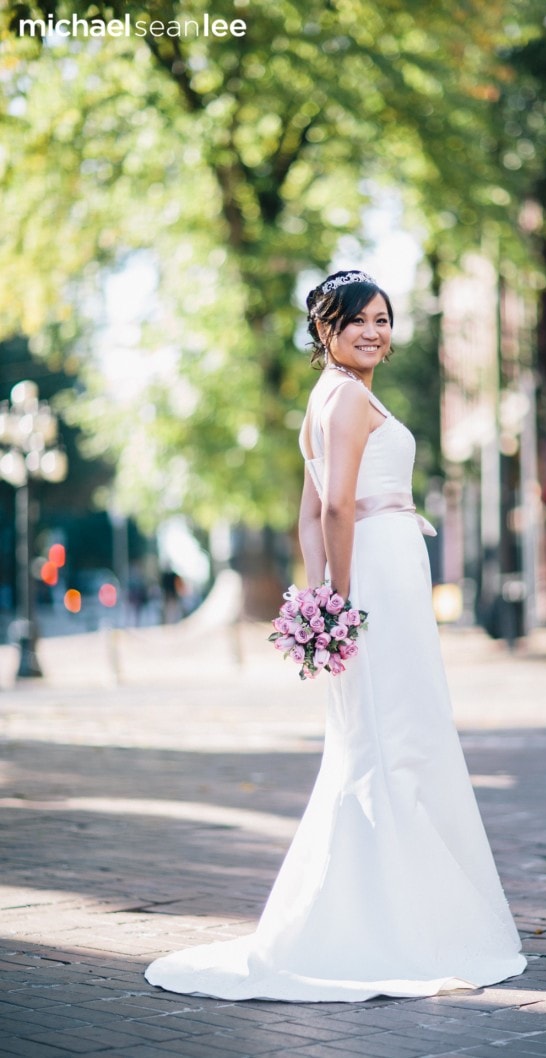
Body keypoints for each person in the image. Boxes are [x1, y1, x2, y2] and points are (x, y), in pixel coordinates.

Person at [145, 269, 526, 1002]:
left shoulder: (325, 399)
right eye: (358, 321)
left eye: (383, 319)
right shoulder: (347, 396)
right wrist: (341, 600)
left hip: (373, 576)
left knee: (377, 738)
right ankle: (393, 929)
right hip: (375, 572)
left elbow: (307, 512)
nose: (375, 332)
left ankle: (380, 913)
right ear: (326, 330)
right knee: (399, 738)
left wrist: (320, 599)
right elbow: (335, 509)